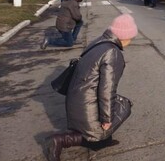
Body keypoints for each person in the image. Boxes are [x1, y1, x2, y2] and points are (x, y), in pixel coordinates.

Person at [43, 14, 138, 161]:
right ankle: (60, 141)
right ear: (125, 36)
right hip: (87, 104)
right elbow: (107, 90)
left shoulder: (99, 41)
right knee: (124, 106)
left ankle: (104, 140)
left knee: (112, 111)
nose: (131, 40)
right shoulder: (113, 53)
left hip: (76, 97)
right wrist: (107, 120)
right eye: (131, 36)